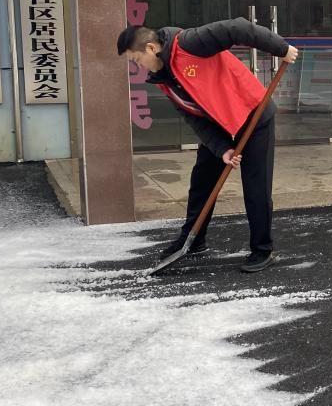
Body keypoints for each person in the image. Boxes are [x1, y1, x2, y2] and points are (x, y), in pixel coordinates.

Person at [117, 19, 298, 273]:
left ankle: (262, 249)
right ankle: (193, 240)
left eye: (136, 60)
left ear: (150, 48)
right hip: (219, 124)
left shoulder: (189, 43)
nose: (138, 67)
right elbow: (194, 118)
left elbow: (237, 28)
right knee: (202, 180)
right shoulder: (165, 78)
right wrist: (222, 149)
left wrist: (280, 48)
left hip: (252, 114)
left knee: (255, 185)